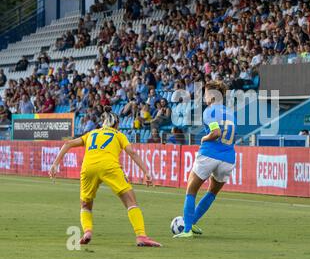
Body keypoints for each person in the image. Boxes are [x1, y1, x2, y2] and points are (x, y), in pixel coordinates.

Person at [48, 106, 161, 247]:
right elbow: (132, 153)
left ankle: (87, 231)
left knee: (85, 204)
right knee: (130, 201)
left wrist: (55, 164)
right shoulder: (118, 135)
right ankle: (141, 236)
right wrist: (146, 172)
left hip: (88, 167)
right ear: (117, 124)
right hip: (109, 166)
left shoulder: (91, 133)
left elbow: (68, 143)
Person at [174, 81, 236, 238]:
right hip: (228, 157)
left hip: (209, 154)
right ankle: (192, 222)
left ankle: (186, 229)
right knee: (212, 192)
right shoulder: (230, 113)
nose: (205, 97)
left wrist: (204, 139)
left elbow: (215, 133)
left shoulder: (210, 111)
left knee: (191, 189)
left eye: (207, 93)